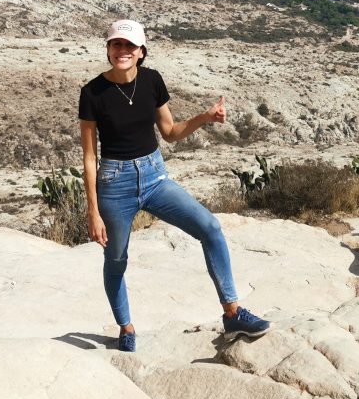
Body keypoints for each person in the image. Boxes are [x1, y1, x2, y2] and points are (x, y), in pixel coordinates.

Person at [79, 18, 270, 352]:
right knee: (116, 259)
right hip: (115, 183)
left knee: (209, 226)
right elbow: (88, 157)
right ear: (108, 49)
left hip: (154, 177)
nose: (122, 50)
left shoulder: (152, 81)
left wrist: (205, 118)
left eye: (129, 45)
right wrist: (92, 211)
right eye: (116, 44)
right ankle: (126, 327)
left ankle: (233, 314)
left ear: (141, 51)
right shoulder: (92, 93)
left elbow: (170, 132)